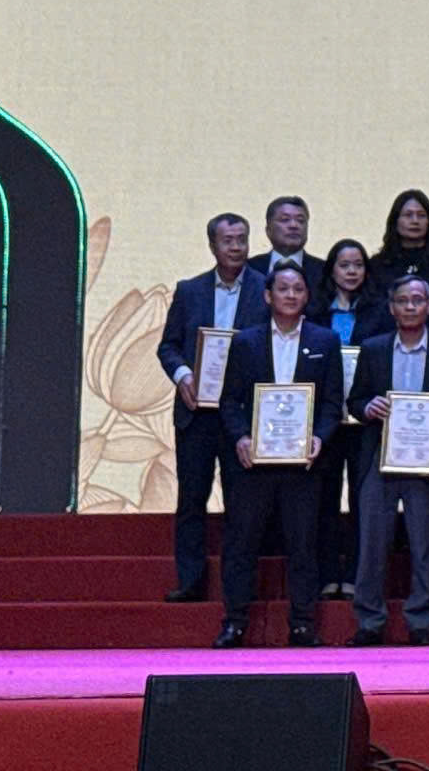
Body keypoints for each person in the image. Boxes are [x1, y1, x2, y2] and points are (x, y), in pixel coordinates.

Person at [213, 260, 346, 648]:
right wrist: (241, 437)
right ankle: (235, 622)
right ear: (268, 296)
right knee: (242, 543)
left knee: (304, 544)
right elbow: (229, 401)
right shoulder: (245, 341)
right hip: (254, 462)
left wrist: (320, 437)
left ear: (307, 296)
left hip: (303, 463)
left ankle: (302, 623)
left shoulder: (325, 341)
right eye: (283, 289)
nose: (291, 295)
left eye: (298, 289)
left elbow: (332, 403)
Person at [345, 274, 429, 645]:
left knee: (424, 543)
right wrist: (367, 407)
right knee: (372, 542)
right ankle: (369, 621)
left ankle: (421, 621)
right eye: (403, 300)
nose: (410, 306)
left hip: (428, 461)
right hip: (379, 459)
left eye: (417, 299)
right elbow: (354, 401)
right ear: (391, 307)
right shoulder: (373, 349)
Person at [157, 213, 267, 603]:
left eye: (242, 239)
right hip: (197, 413)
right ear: (212, 246)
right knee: (192, 499)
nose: (236, 247)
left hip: (242, 416)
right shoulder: (189, 291)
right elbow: (168, 346)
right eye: (228, 240)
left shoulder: (266, 289)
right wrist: (183, 374)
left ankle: (237, 587)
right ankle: (190, 581)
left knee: (242, 504)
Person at [310, 238, 389, 596]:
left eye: (358, 265)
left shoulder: (380, 312)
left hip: (366, 420)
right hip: (324, 421)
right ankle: (328, 574)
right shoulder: (314, 312)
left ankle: (358, 575)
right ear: (331, 270)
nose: (352, 271)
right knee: (324, 498)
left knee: (363, 499)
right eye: (344, 265)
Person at [374, 189, 429, 298]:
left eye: (421, 215)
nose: (415, 221)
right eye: (408, 215)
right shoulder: (377, 266)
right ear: (395, 221)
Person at [250, 195, 321, 289]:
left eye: (300, 221)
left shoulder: (326, 271)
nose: (294, 225)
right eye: (285, 220)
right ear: (268, 230)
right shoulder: (249, 268)